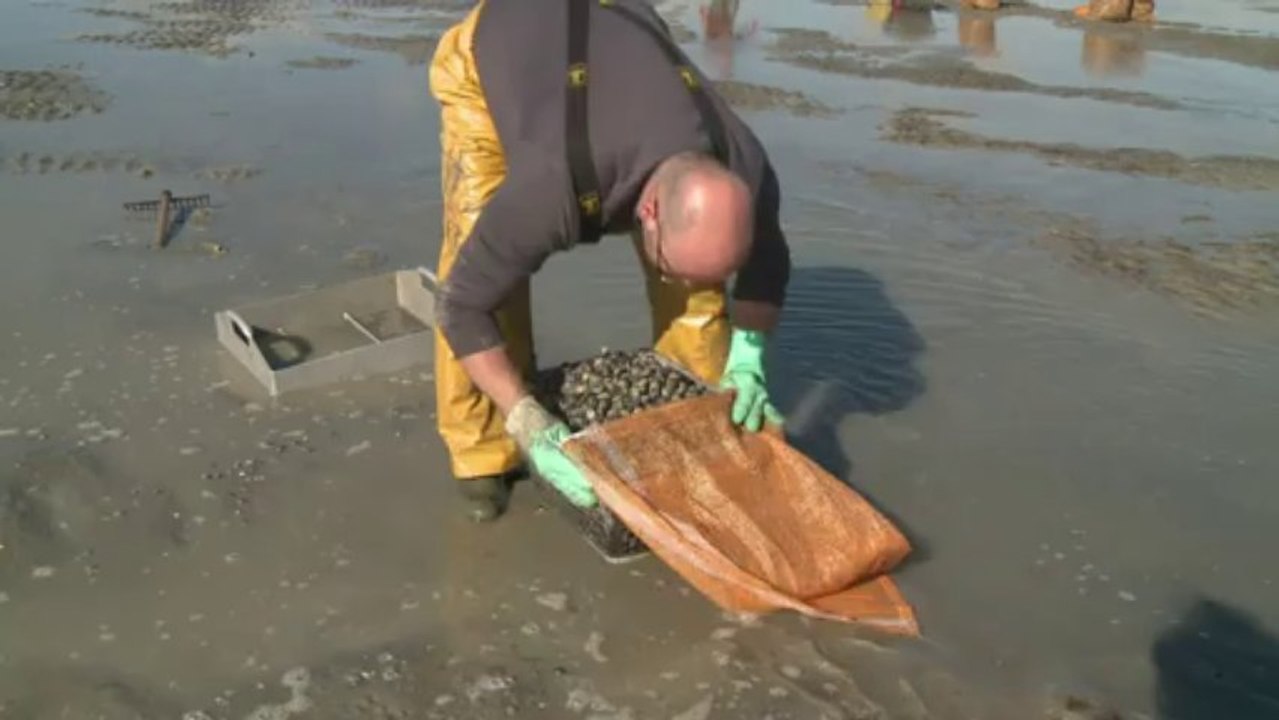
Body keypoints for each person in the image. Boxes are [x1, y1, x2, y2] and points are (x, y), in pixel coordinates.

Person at [427, 0, 792, 522]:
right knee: (483, 267)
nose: (675, 279)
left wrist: (749, 357)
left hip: (616, 21)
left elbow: (768, 266)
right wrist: (526, 416)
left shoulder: (746, 167)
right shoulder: (551, 188)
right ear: (646, 212)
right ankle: (482, 455)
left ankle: (697, 423)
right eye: (669, 264)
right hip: (499, 49)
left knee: (700, 291)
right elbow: (461, 306)